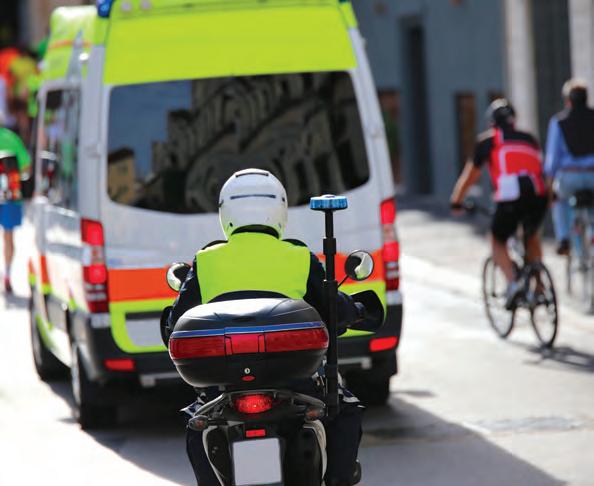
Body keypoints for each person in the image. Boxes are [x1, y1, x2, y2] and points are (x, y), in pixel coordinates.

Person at [164, 168, 365, 486]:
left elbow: (177, 322)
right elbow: (333, 309)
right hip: (296, 381)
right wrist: (357, 310)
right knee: (345, 410)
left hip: (224, 385)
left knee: (197, 420)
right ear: (280, 211)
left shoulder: (207, 260)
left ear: (225, 213)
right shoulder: (298, 256)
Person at [450, 99, 548, 308]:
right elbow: (542, 170)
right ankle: (539, 284)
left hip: (511, 196)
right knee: (531, 234)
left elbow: (470, 176)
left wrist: (456, 201)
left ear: (492, 123)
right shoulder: (529, 139)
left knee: (497, 239)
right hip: (538, 195)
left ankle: (513, 284)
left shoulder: (489, 141)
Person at [545, 78, 594, 255]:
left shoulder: (559, 121)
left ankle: (563, 238)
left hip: (569, 176)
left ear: (568, 100)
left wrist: (549, 187)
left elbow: (552, 159)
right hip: (592, 175)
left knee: (559, 201)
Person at [0, 110, 30, 293]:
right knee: (8, 236)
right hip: (10, 194)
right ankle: (8, 274)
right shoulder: (12, 139)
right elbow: (26, 166)